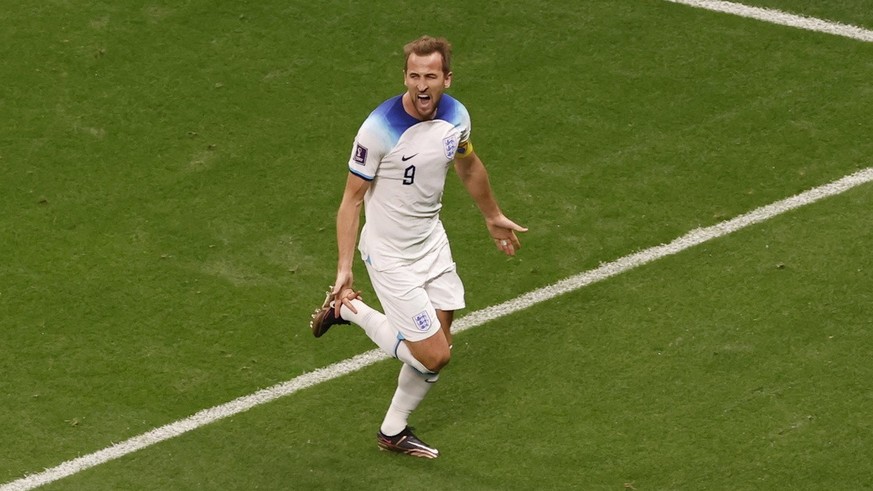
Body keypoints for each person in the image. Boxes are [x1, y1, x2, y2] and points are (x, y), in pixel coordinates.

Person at [310, 35, 527, 459]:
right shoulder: (379, 129)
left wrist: (491, 214)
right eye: (414, 76)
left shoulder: (457, 117)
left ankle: (392, 433)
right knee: (434, 356)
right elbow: (351, 199)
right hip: (390, 254)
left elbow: (467, 165)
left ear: (447, 77)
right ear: (405, 77)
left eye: (430, 76)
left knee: (435, 348)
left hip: (432, 243)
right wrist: (344, 268)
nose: (422, 85)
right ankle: (348, 308)